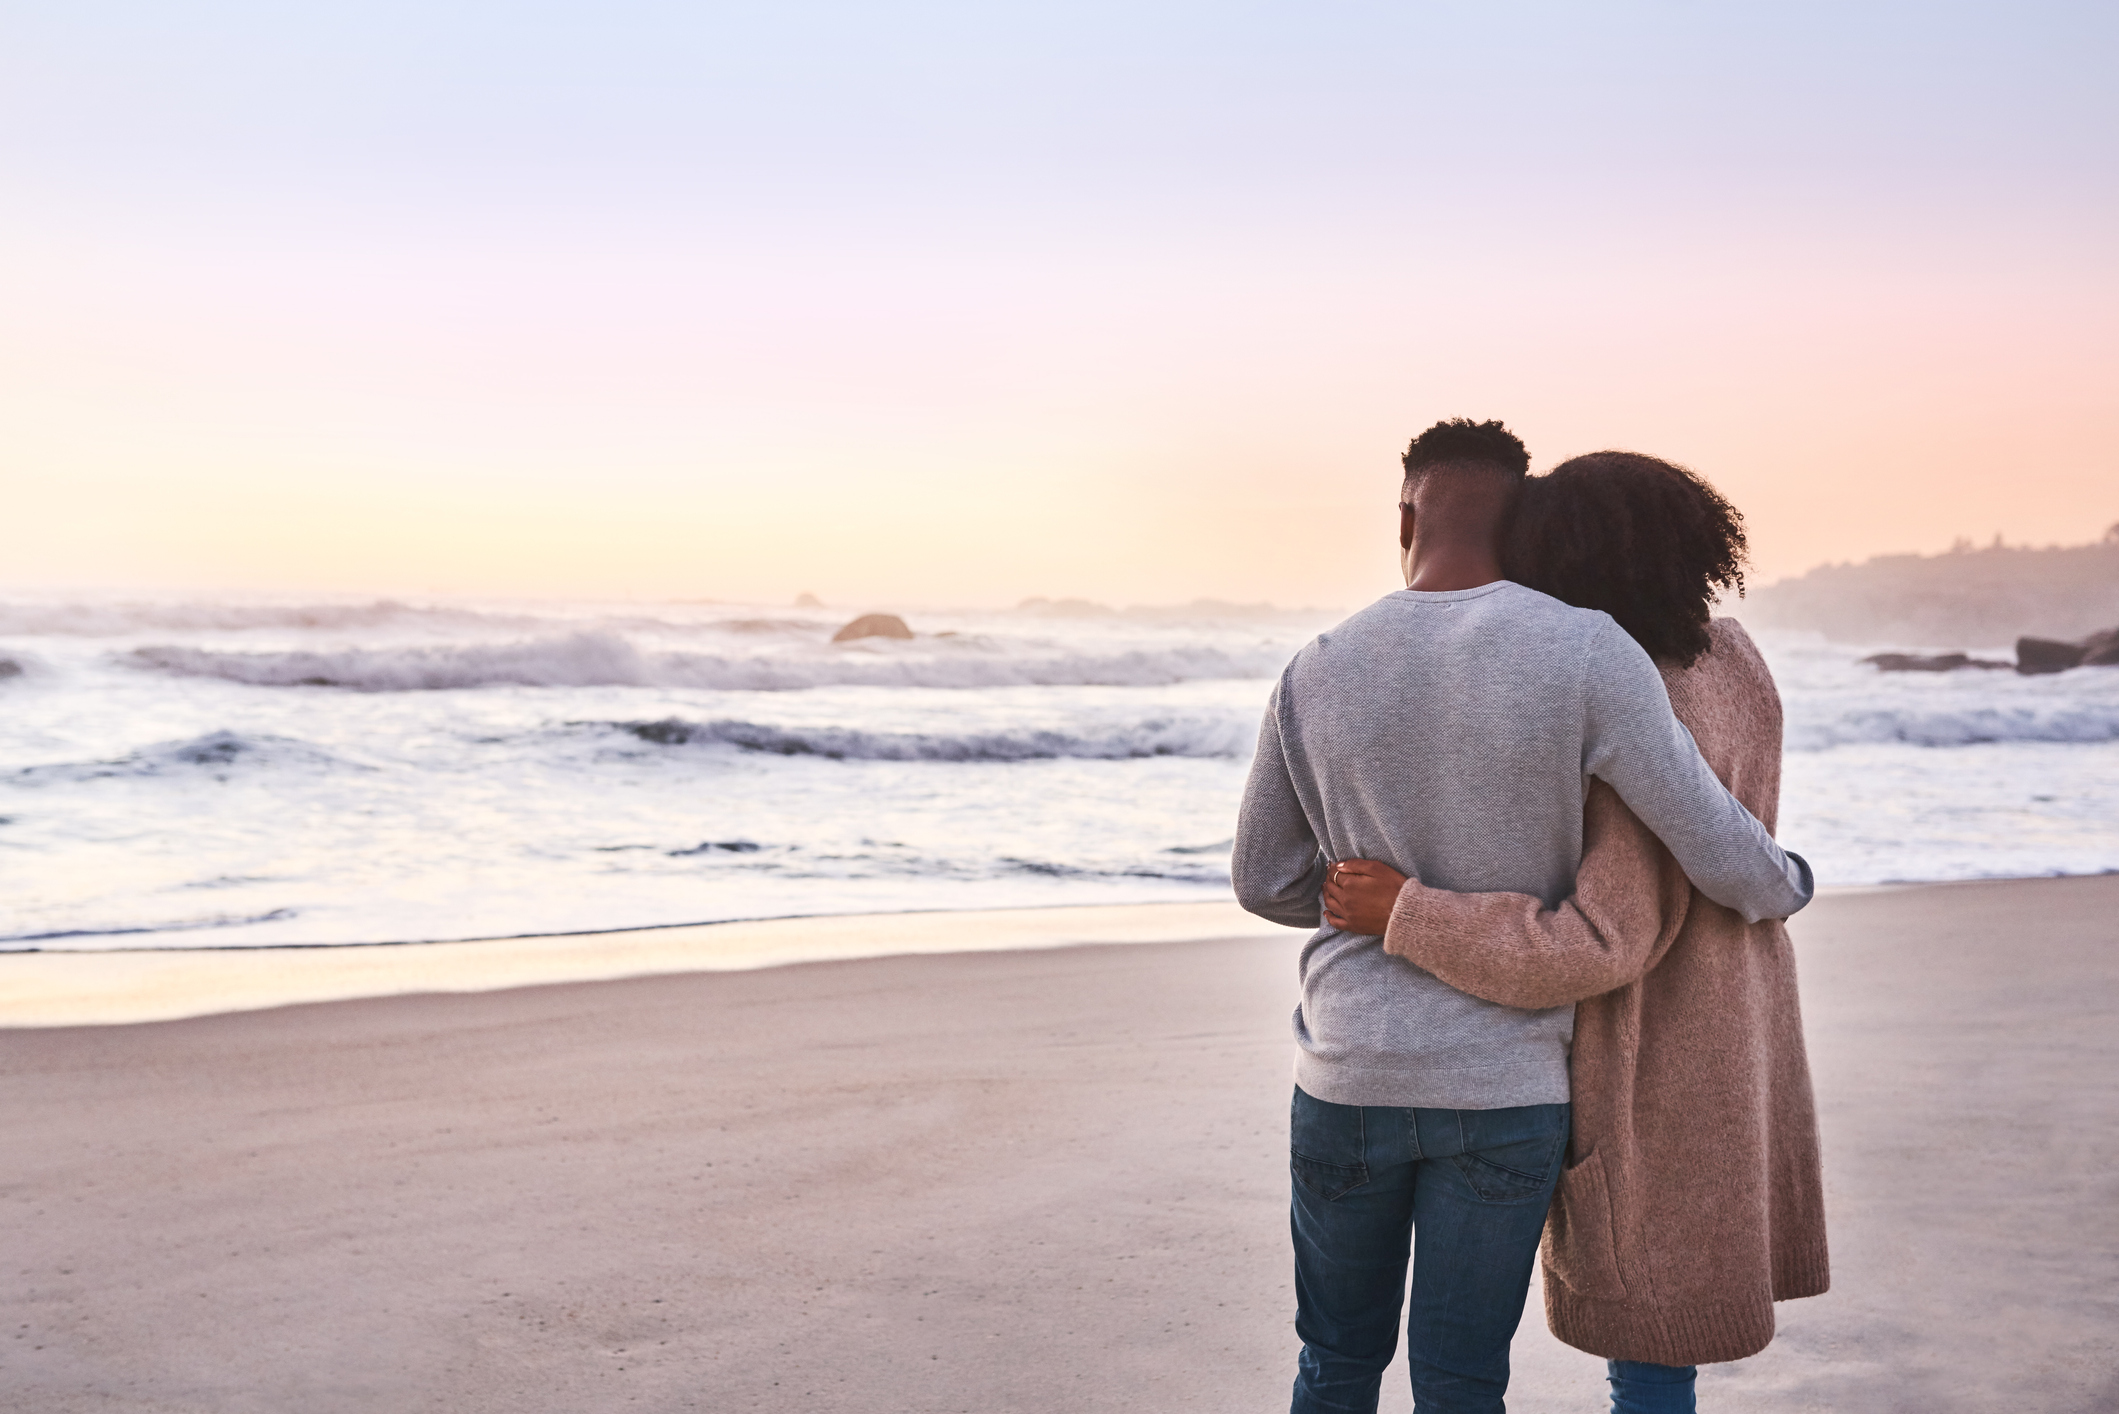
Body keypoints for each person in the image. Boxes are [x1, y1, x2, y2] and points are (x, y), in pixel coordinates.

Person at [1232, 421, 1813, 1414]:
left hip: (1353, 1067)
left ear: (1405, 517)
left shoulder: (1317, 665)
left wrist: (1363, 901)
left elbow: (1263, 881)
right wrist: (1784, 879)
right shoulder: (1606, 654)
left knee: (1333, 1360)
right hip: (1510, 1080)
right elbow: (1708, 836)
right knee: (1462, 1380)